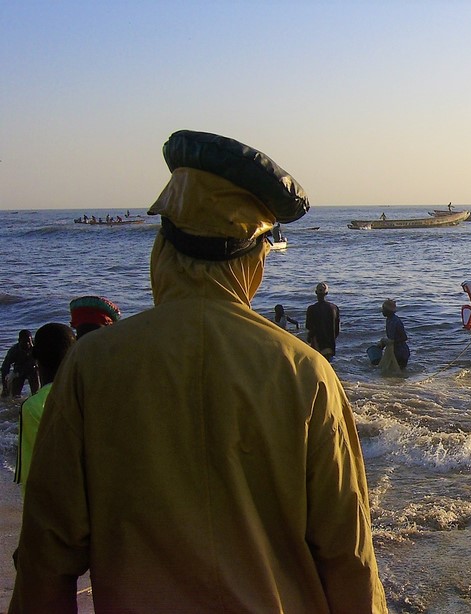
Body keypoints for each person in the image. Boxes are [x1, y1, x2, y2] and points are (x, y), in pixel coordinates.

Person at [9, 130, 386, 612]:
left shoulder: (91, 366)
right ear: (254, 263)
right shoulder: (306, 375)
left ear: (162, 250)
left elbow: (45, 562)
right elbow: (349, 559)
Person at [15, 323, 76, 493]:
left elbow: (28, 470)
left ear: (36, 358)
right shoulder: (88, 395)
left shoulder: (33, 406)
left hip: (50, 502)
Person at [306, 281, 341, 358]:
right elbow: (337, 329)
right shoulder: (334, 308)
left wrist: (309, 339)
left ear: (316, 292)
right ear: (327, 293)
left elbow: (309, 327)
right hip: (330, 345)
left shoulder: (311, 309)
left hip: (317, 345)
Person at [1, 330, 38, 399]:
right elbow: (4, 368)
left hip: (33, 370)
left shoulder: (37, 347)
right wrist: (5, 387)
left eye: (29, 341)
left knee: (36, 394)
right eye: (24, 342)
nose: (27, 344)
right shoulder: (14, 351)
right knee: (15, 397)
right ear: (19, 341)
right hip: (19, 371)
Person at [380, 298, 411, 369]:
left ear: (388, 311)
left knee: (398, 372)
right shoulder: (389, 320)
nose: (382, 311)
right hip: (395, 351)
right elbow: (391, 337)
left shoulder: (395, 321)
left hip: (401, 353)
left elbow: (404, 337)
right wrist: (384, 343)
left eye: (383, 309)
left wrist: (389, 342)